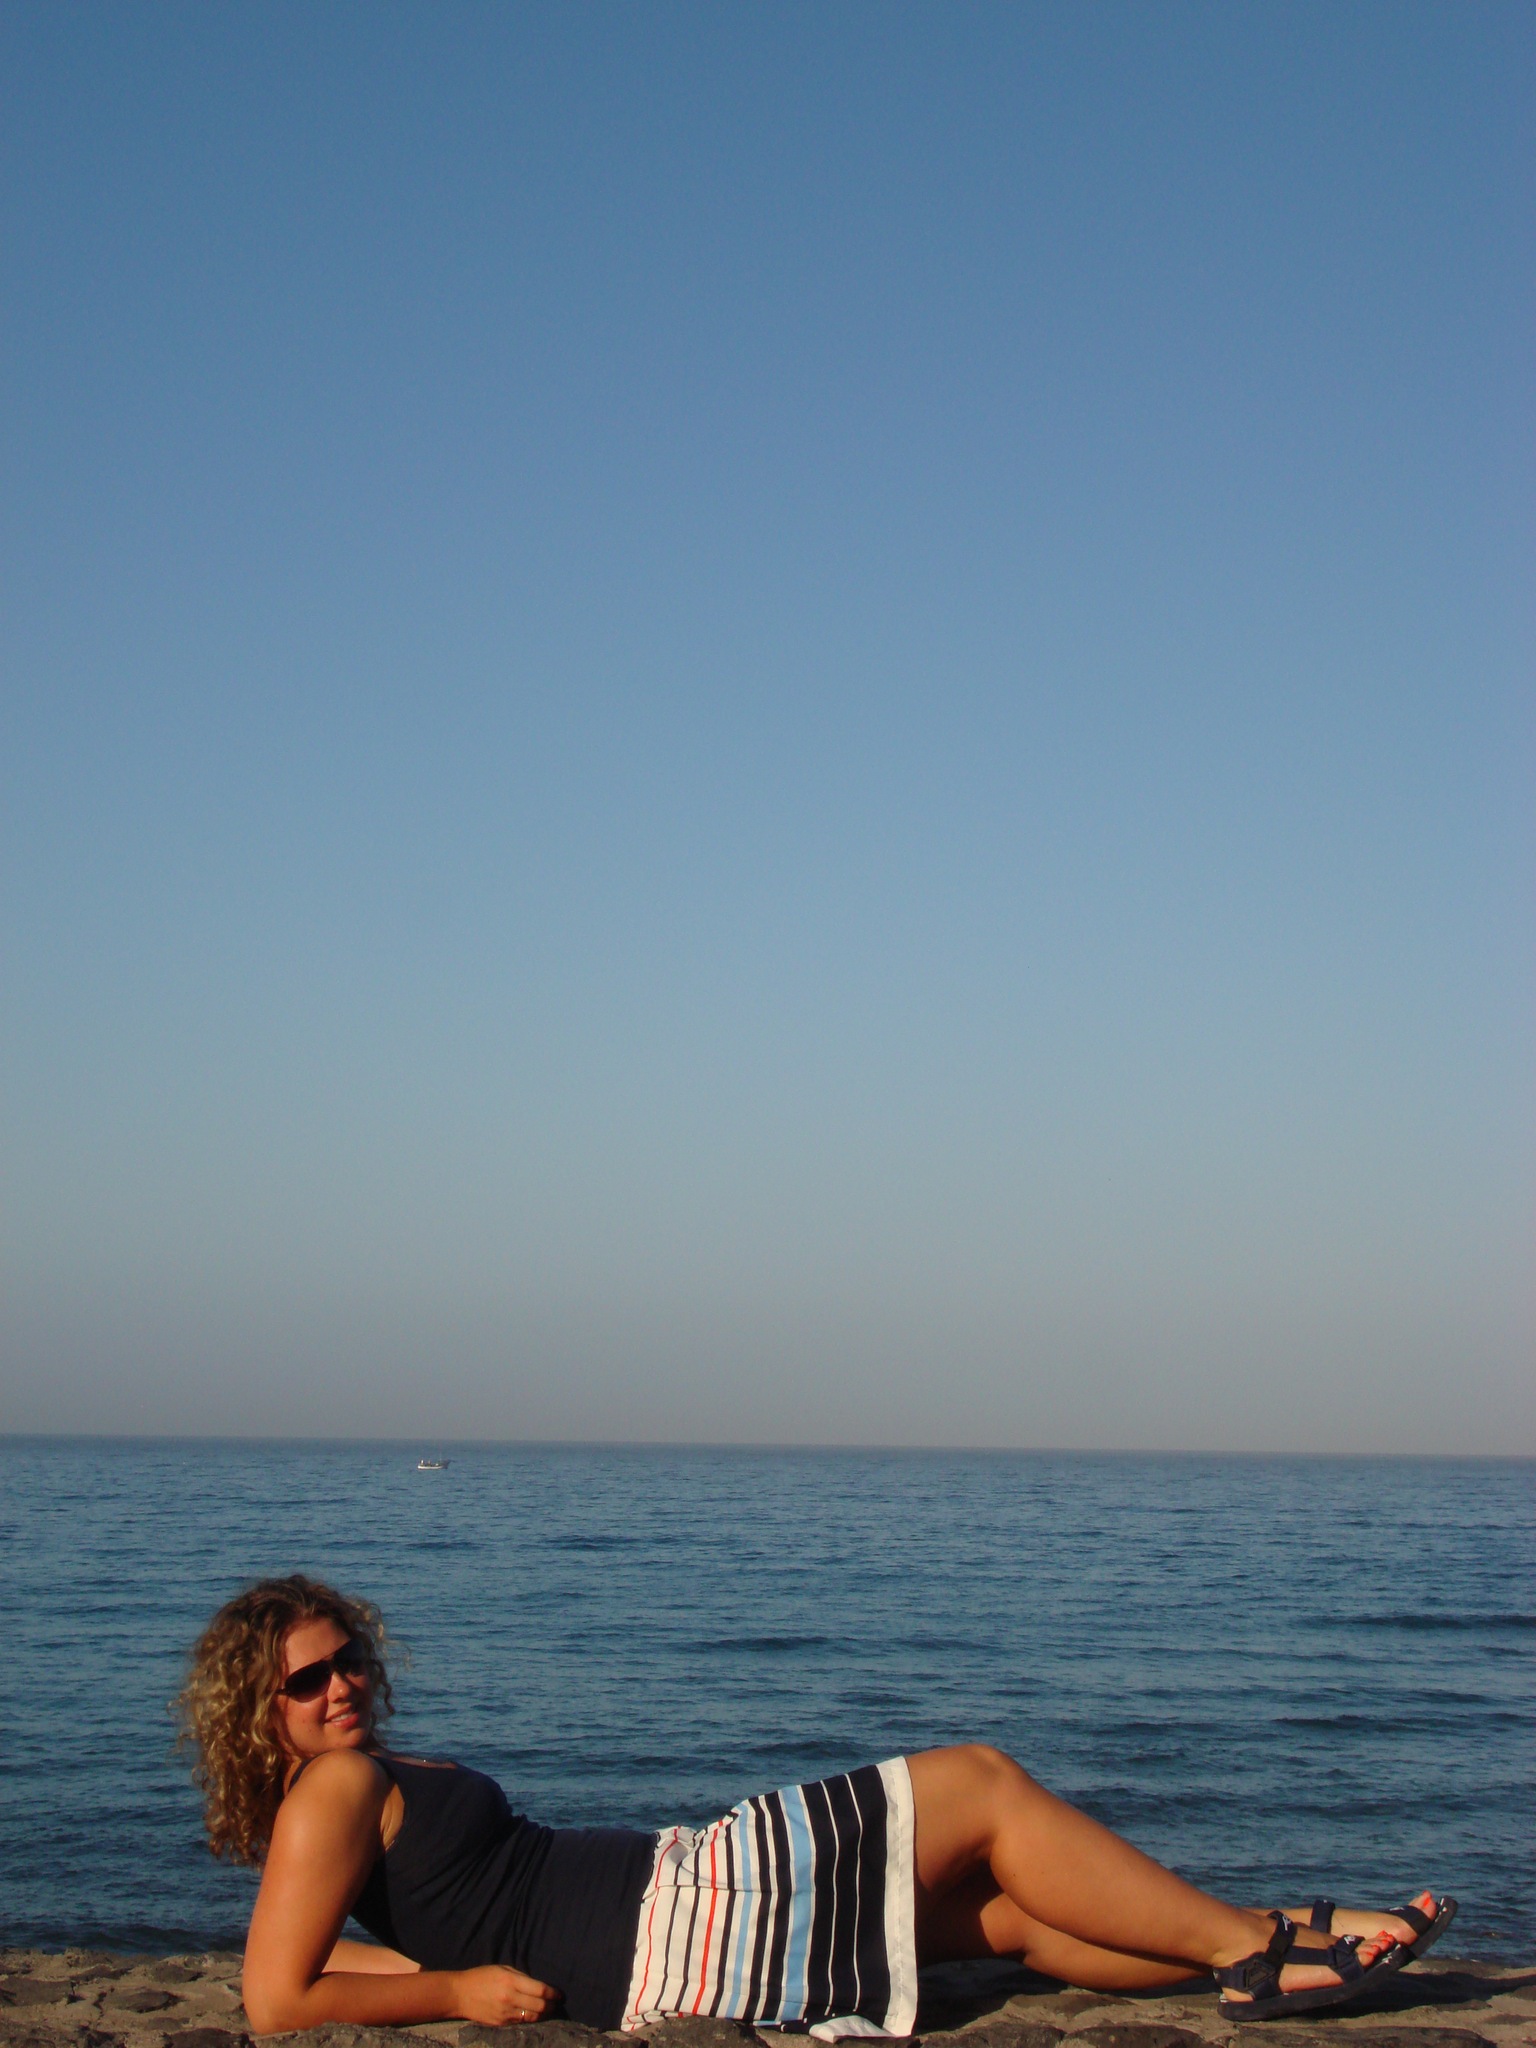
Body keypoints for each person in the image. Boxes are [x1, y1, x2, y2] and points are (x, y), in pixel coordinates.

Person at [178, 1575, 1455, 2038]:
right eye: (308, 1678)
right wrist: (461, 1991)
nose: (343, 1685)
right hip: (673, 1917)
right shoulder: (334, 1788)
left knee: (1002, 1916)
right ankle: (1255, 1947)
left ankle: (1278, 1937)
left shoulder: (344, 1789)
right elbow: (277, 2000)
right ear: (259, 1707)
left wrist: (440, 1968)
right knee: (980, 1780)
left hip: (672, 1910)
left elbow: (326, 1951)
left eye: (350, 1658)